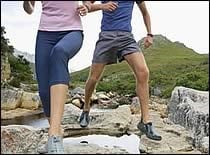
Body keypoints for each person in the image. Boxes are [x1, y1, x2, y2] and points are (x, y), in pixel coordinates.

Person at [79, 1, 162, 141]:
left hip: (126, 38)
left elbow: (145, 12)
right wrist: (101, 6)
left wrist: (149, 34)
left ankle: (145, 122)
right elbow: (86, 5)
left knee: (143, 72)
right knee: (93, 78)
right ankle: (86, 108)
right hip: (106, 37)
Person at [23, 1, 90, 154]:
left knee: (59, 52)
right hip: (45, 34)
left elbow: (88, 3)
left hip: (72, 31)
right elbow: (29, 9)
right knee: (44, 92)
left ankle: (53, 136)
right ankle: (57, 133)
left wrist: (86, 7)